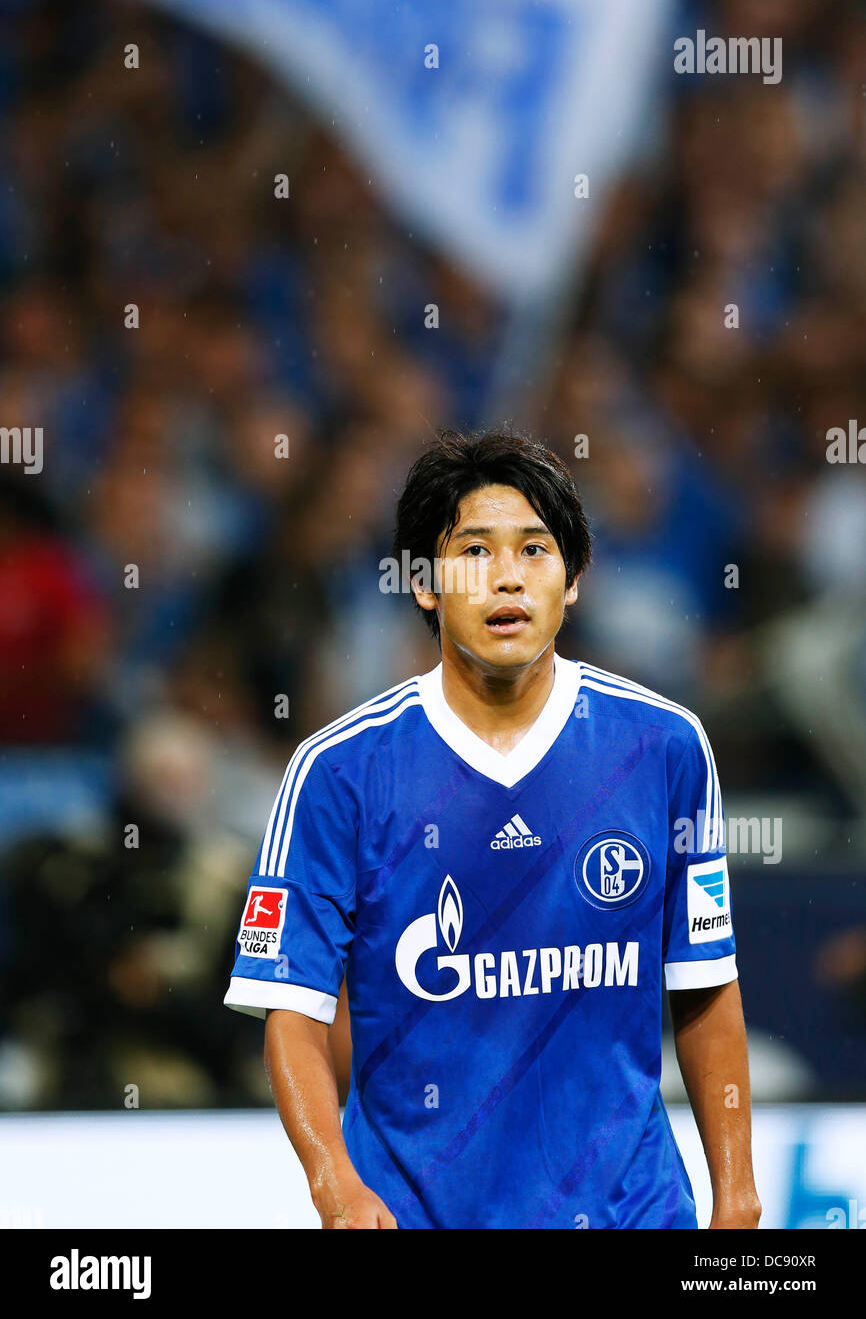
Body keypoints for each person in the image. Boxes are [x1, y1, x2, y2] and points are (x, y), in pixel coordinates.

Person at [223, 427, 761, 1230]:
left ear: (573, 579)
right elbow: (291, 1009)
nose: (507, 576)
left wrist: (738, 1192)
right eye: (474, 551)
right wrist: (332, 1180)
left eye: (535, 551)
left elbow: (705, 986)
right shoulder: (339, 772)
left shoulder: (664, 747)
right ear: (425, 583)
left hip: (633, 1213)